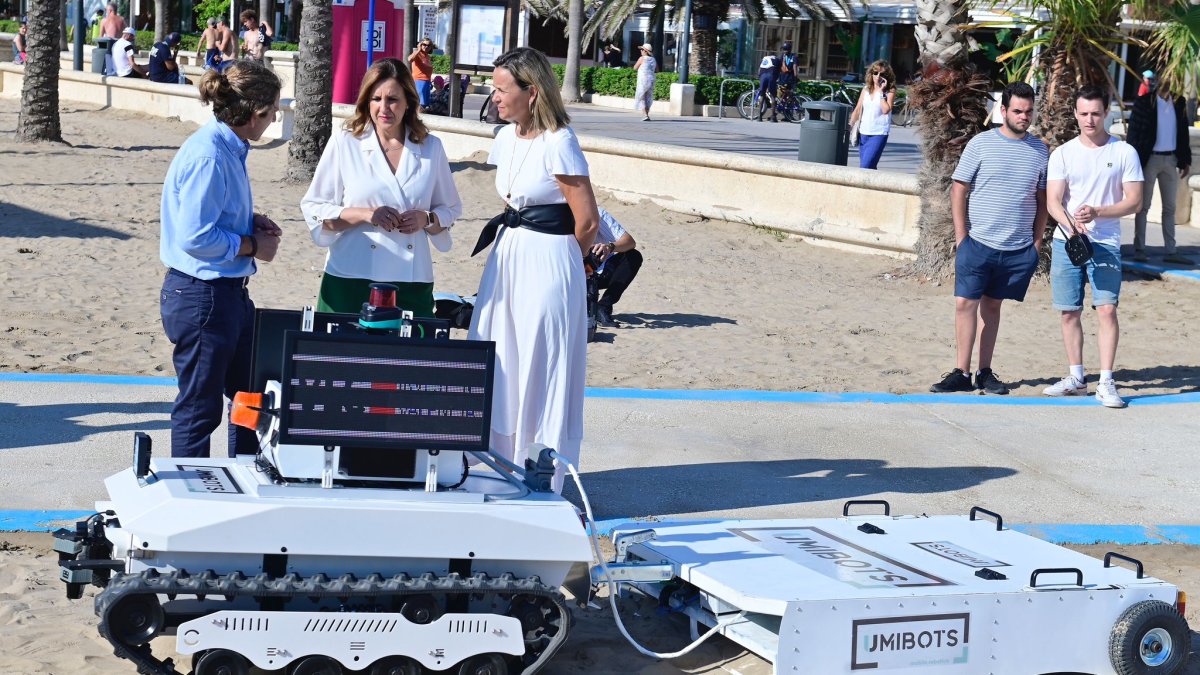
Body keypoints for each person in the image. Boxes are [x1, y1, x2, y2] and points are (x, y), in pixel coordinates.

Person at [468, 47, 600, 493]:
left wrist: (565, 264)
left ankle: (542, 471)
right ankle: (496, 466)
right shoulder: (504, 137)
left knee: (540, 363)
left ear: (533, 92)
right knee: (500, 355)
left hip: (549, 264)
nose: (494, 96)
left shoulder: (560, 141)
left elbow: (588, 222)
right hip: (508, 259)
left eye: (502, 89)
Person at [159, 60, 284, 457]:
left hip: (223, 294)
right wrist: (250, 244)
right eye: (272, 111)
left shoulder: (227, 147)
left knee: (250, 394)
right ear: (254, 115)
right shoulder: (210, 156)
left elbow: (208, 217)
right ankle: (189, 499)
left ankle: (246, 478)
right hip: (203, 296)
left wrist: (248, 220)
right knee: (200, 408)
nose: (275, 117)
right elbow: (194, 236)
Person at [301, 58, 463, 317]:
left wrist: (427, 218)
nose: (384, 108)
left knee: (409, 357)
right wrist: (366, 215)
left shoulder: (431, 147)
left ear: (409, 101)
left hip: (411, 280)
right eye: (376, 98)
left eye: (393, 99)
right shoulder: (345, 143)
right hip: (350, 276)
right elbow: (315, 208)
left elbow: (451, 208)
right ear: (366, 101)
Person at [930, 82, 1047, 395]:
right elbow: (959, 188)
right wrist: (961, 236)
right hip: (977, 243)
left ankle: (984, 372)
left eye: (1029, 111)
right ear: (1003, 110)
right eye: (1018, 111)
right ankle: (960, 372)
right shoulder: (981, 144)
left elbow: (1042, 199)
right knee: (964, 304)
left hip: (1016, 248)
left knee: (992, 308)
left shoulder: (1040, 151)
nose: (1025, 116)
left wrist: (1036, 243)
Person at [1043, 85, 1143, 408]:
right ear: (1075, 113)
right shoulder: (1063, 153)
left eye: (1096, 113)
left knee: (1107, 309)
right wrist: (1072, 226)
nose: (1089, 120)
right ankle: (1076, 378)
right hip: (1067, 242)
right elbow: (1053, 202)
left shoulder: (1124, 152)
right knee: (1069, 311)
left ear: (1107, 113)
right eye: (1084, 113)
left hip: (1106, 242)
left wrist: (1098, 211)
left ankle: (1106, 381)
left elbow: (1135, 202)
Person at [1126, 77, 1193, 264]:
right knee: (1143, 206)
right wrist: (1132, 160)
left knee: (1170, 208)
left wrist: (1185, 159)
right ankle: (1139, 248)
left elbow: (1183, 132)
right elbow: (1134, 132)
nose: (1168, 80)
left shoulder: (1179, 102)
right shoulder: (1145, 102)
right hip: (1149, 159)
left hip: (1171, 159)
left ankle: (1171, 251)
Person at [589, 206, 642, 328]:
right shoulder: (557, 215)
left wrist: (610, 247)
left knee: (633, 256)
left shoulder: (597, 213)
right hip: (573, 273)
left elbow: (629, 242)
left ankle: (604, 306)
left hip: (599, 270)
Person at [849, 60, 896, 169]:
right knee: (868, 167)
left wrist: (880, 92)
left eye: (882, 74)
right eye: (875, 73)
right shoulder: (866, 89)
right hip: (863, 132)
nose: (878, 76)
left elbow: (886, 110)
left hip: (879, 133)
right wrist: (850, 125)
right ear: (871, 74)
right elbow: (857, 109)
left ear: (887, 76)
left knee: (865, 166)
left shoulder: (890, 91)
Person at [407, 37, 435, 110]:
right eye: (424, 44)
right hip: (419, 81)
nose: (426, 47)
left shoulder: (427, 57)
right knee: (420, 104)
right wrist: (418, 50)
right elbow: (409, 59)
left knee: (425, 104)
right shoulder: (417, 54)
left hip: (427, 82)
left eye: (428, 45)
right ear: (420, 44)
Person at [755, 48, 781, 122]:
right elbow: (779, 71)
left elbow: (759, 70)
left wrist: (759, 77)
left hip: (763, 75)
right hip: (771, 75)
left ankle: (759, 117)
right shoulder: (777, 60)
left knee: (762, 95)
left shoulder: (764, 58)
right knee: (773, 96)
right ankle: (773, 117)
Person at [632, 43, 656, 122]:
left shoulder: (642, 58)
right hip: (651, 80)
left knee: (641, 96)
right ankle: (647, 114)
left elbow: (635, 68)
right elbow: (657, 70)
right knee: (648, 97)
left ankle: (645, 115)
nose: (641, 51)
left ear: (645, 51)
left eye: (642, 49)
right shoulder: (653, 59)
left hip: (643, 80)